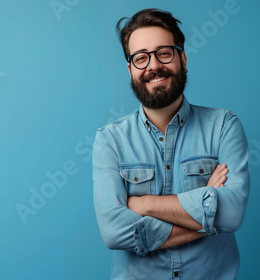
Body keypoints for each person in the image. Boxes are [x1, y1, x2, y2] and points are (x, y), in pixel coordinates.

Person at [92, 8, 250, 280]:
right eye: (141, 58)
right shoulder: (110, 140)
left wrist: (143, 205)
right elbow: (113, 231)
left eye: (163, 53)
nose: (153, 66)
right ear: (130, 70)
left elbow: (232, 213)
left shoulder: (224, 125)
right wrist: (207, 214)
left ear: (183, 59)